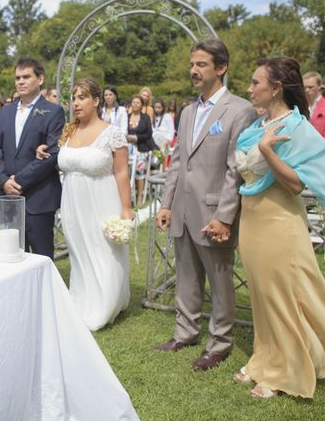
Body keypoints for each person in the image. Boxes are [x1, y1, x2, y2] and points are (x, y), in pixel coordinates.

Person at [154, 38, 257, 371]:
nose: (193, 70)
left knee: (221, 280)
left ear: (221, 68)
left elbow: (236, 169)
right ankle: (185, 332)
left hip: (215, 212)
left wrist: (225, 217)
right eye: (191, 64)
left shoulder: (240, 110)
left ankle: (220, 342)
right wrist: (167, 203)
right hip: (183, 210)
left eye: (201, 64)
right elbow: (177, 161)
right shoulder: (186, 112)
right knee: (185, 276)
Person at [234, 57, 325, 399]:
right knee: (260, 294)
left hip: (279, 220)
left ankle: (285, 371)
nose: (249, 89)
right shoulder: (257, 126)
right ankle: (264, 360)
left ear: (275, 88)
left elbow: (296, 185)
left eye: (255, 83)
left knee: (282, 296)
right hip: (252, 219)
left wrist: (267, 152)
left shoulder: (297, 127)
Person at [37, 79, 133, 329]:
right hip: (72, 202)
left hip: (102, 199)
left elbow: (122, 172)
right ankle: (81, 298)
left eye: (82, 97)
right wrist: (42, 151)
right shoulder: (70, 132)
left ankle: (106, 303)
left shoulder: (112, 133)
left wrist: (126, 208)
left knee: (102, 251)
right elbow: (63, 160)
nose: (76, 103)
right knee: (79, 250)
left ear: (96, 101)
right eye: (74, 98)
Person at [0, 57, 65, 260]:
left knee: (41, 258)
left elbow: (52, 154)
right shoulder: (5, 112)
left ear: (40, 79)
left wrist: (18, 181)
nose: (20, 82)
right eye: (17, 78)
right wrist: (4, 181)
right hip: (8, 198)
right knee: (10, 255)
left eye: (26, 77)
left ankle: (43, 293)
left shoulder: (53, 112)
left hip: (38, 198)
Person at [127, 95, 157, 201]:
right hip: (128, 148)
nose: (135, 104)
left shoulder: (145, 118)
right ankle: (129, 194)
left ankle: (140, 196)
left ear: (141, 105)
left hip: (142, 148)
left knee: (139, 170)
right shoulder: (127, 116)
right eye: (133, 102)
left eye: (138, 102)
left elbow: (149, 134)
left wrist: (136, 138)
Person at [303, 71, 325, 137]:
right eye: (304, 87)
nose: (307, 90)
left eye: (310, 87)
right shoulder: (300, 107)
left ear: (320, 86)